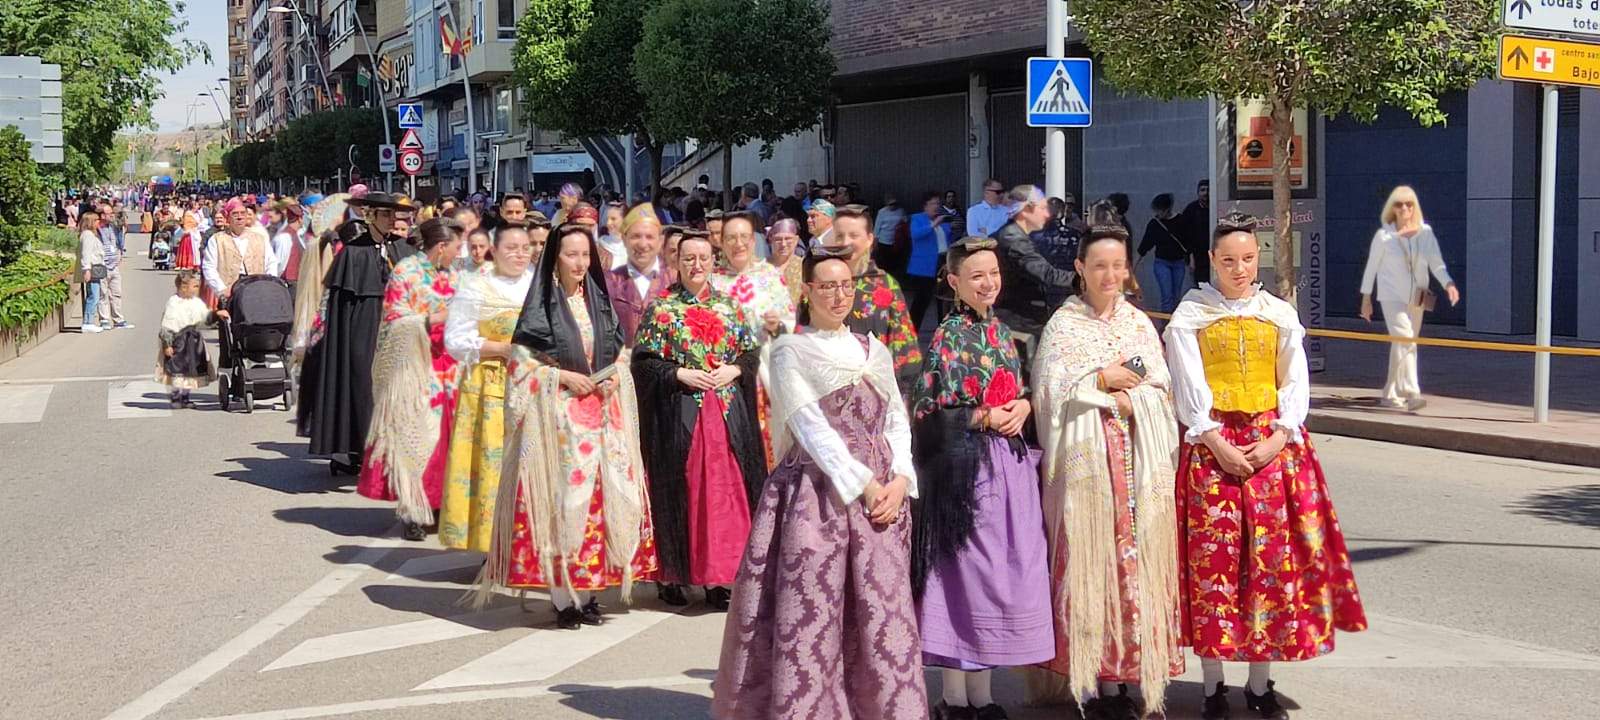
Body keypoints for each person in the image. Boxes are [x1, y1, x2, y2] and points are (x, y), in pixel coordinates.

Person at [1165, 212, 1368, 720]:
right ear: (1211, 259)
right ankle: (1212, 685)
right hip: (1211, 446)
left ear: (1259, 259)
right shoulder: (1191, 315)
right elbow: (1188, 387)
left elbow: (1293, 381)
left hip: (1270, 446)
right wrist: (1212, 438)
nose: (1238, 268)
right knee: (1211, 566)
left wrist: (1281, 434)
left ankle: (1260, 682)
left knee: (1268, 567)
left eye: (1248, 259)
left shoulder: (1278, 313)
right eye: (1229, 259)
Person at [711, 247, 926, 719]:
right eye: (827, 285)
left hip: (881, 504)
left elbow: (896, 419)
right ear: (806, 291)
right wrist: (866, 485)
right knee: (814, 617)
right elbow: (811, 428)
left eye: (846, 284)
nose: (839, 294)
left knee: (879, 616)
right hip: (816, 500)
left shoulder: (876, 350)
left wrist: (902, 478)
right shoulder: (791, 350)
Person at [1028, 220, 1184, 719]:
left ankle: (1132, 678)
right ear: (1080, 268)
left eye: (1118, 265)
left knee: (1134, 570)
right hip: (1087, 469)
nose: (1110, 274)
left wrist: (1131, 396)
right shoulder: (1063, 325)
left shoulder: (1138, 324)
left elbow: (1160, 388)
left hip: (1137, 466)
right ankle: (1089, 682)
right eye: (1099, 265)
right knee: (1089, 565)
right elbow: (1050, 391)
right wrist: (1099, 378)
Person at [475, 223, 658, 629]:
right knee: (563, 507)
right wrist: (560, 378)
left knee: (601, 505)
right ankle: (563, 599)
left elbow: (620, 350)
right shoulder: (541, 304)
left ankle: (590, 593)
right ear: (555, 258)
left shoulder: (598, 300)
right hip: (560, 422)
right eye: (571, 255)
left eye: (585, 256)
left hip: (602, 417)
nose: (579, 263)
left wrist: (615, 374)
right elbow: (522, 364)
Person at [911, 237, 1053, 720]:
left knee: (1000, 574)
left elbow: (1021, 385)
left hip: (1007, 469)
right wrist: (987, 418)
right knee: (965, 573)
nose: (988, 282)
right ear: (953, 283)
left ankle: (983, 694)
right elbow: (929, 410)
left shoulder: (1001, 331)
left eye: (993, 273)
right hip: (966, 470)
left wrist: (1024, 404)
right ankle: (955, 696)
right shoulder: (948, 338)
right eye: (976, 275)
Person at [632, 231, 765, 609]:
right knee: (679, 491)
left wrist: (736, 370)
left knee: (725, 496)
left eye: (703, 258)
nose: (696, 265)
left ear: (713, 260)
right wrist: (677, 375)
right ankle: (672, 574)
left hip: (725, 415)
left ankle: (719, 577)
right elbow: (642, 363)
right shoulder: (662, 308)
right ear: (677, 262)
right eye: (689, 258)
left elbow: (752, 353)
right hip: (680, 413)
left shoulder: (731, 307)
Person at [357, 218, 464, 542]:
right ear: (441, 246)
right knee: (416, 439)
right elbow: (393, 320)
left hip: (452, 366)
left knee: (451, 441)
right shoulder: (406, 272)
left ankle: (444, 504)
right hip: (416, 367)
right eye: (456, 247)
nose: (459, 253)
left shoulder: (456, 274)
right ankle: (412, 508)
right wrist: (433, 318)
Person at [440, 225, 536, 554]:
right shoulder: (476, 285)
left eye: (525, 247)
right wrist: (501, 348)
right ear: (494, 249)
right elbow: (455, 340)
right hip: (489, 385)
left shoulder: (539, 284)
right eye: (511, 247)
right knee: (493, 466)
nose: (519, 254)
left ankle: (528, 544)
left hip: (534, 385)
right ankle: (493, 545)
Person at [299, 194, 401, 475]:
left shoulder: (400, 250)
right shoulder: (353, 253)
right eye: (385, 215)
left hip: (394, 332)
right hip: (362, 331)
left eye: (395, 215)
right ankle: (360, 450)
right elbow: (340, 306)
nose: (392, 220)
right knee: (362, 389)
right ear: (370, 216)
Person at [1358, 185, 1461, 411]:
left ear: (1415, 207)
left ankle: (1390, 391)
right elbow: (1371, 268)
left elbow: (1436, 263)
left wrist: (1448, 284)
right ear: (1392, 208)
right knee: (1405, 339)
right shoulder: (1384, 236)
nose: (1404, 208)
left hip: (1418, 296)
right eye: (1399, 204)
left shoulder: (1425, 233)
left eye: (1409, 204)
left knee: (1404, 343)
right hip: (1391, 296)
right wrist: (1366, 298)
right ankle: (1412, 391)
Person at [810, 205, 923, 399]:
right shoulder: (818, 280)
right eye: (839, 236)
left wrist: (901, 398)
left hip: (875, 395)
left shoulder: (885, 285)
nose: (846, 242)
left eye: (854, 235)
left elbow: (904, 348)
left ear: (870, 239)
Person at [993, 185, 1076, 342]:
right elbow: (1046, 273)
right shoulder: (1013, 239)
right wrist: (1086, 280)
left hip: (1023, 317)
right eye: (1043, 208)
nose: (1047, 213)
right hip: (1018, 321)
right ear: (1026, 210)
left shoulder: (1017, 235)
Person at [711, 212, 795, 342]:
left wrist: (776, 325)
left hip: (766, 355)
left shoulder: (770, 275)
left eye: (744, 236)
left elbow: (790, 320)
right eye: (731, 238)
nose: (739, 244)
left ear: (753, 241)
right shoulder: (712, 281)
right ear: (722, 243)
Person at [605, 204, 676, 344]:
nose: (643, 244)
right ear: (624, 239)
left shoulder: (676, 280)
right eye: (636, 236)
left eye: (649, 237)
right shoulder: (608, 282)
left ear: (661, 241)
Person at [202, 200, 278, 311]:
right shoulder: (217, 239)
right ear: (227, 217)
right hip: (230, 296)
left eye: (243, 213)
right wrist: (221, 289)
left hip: (257, 292)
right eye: (235, 214)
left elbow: (271, 262)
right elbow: (208, 266)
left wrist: (268, 284)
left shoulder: (260, 238)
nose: (240, 217)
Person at [156, 271, 217, 408]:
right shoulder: (174, 303)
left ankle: (186, 396)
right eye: (194, 286)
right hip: (179, 341)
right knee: (178, 369)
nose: (197, 289)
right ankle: (176, 396)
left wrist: (216, 315)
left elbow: (205, 317)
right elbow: (167, 325)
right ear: (183, 287)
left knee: (191, 369)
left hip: (194, 341)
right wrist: (167, 344)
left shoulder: (196, 302)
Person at [905, 193, 953, 333]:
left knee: (943, 298)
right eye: (933, 203)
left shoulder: (943, 221)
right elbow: (916, 234)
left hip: (942, 261)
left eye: (938, 203)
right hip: (923, 266)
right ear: (925, 206)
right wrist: (933, 225)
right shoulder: (918, 218)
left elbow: (948, 240)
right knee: (922, 300)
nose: (936, 207)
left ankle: (942, 330)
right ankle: (912, 330)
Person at [1138, 193, 1189, 313]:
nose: (1157, 214)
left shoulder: (1181, 221)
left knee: (1176, 295)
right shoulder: (1154, 224)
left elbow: (1189, 241)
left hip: (1178, 262)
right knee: (1167, 295)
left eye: (1160, 210)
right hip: (1162, 262)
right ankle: (1166, 323)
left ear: (1167, 209)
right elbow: (1144, 246)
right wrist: (1134, 265)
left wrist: (1191, 259)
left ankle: (1173, 321)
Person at [97, 207, 131, 330]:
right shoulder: (96, 229)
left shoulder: (113, 227)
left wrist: (119, 253)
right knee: (102, 293)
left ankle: (118, 320)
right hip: (100, 264)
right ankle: (104, 320)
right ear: (101, 215)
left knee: (116, 293)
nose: (112, 215)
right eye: (109, 213)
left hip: (113, 265)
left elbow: (119, 239)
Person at [76, 209, 106, 334]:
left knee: (94, 295)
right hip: (92, 268)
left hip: (95, 267)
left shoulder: (90, 234)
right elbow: (86, 253)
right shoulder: (88, 235)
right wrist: (86, 269)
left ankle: (89, 321)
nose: (98, 222)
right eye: (96, 220)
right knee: (93, 296)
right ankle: (88, 322)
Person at [1177, 179, 1211, 288]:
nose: (1206, 193)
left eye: (1208, 190)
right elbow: (1185, 235)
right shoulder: (1191, 210)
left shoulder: (1216, 208)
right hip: (1198, 256)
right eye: (1203, 190)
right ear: (1198, 192)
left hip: (1214, 253)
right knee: (1201, 286)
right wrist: (1191, 258)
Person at [765, 218, 804, 308]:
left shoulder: (805, 267)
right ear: (771, 240)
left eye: (788, 239)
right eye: (778, 239)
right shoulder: (761, 267)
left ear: (796, 240)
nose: (783, 244)